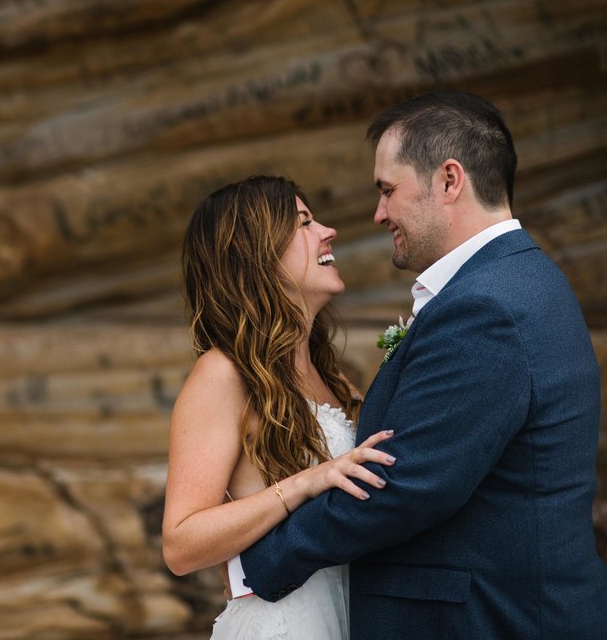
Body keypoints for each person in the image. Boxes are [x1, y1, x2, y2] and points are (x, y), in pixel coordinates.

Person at [239, 91, 607, 638]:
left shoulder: (487, 306)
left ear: (449, 180)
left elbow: (408, 484)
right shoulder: (520, 279)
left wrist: (262, 560)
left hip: (489, 619)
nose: (377, 213)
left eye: (387, 190)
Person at [162, 175, 396, 639]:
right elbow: (181, 544)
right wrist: (307, 482)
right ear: (257, 254)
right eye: (304, 223)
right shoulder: (222, 374)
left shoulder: (333, 377)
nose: (328, 231)